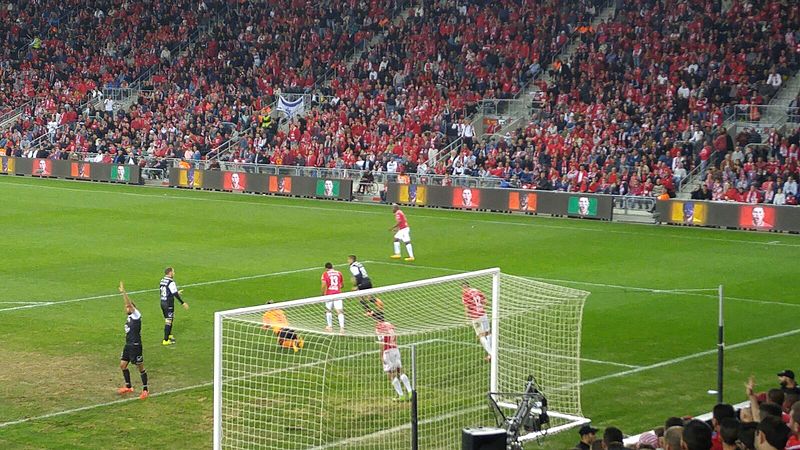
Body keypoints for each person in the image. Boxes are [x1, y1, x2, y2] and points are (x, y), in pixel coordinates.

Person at [117, 282, 149, 399]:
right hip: (128, 345)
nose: (126, 308)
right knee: (123, 365)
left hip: (136, 345)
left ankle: (145, 389)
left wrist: (123, 292)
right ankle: (128, 386)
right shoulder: (129, 317)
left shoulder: (136, 315)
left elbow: (129, 303)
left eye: (128, 307)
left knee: (140, 367)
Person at [373, 315, 412, 401]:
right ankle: (410, 392)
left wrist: (381, 355)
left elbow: (382, 342)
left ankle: (401, 395)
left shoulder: (379, 327)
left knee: (390, 373)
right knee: (400, 370)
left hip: (387, 352)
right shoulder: (389, 324)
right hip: (395, 349)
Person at [462, 282, 492, 361]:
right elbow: (485, 302)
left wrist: (467, 319)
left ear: (463, 288)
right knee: (488, 333)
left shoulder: (465, 295)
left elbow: (467, 307)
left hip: (475, 317)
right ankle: (490, 354)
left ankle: (492, 354)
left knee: (481, 335)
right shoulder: (476, 291)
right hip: (483, 314)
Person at [159, 267, 189, 346]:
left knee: (170, 318)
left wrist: (176, 292)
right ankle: (165, 340)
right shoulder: (171, 282)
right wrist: (183, 303)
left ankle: (169, 334)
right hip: (168, 303)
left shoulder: (162, 280)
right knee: (168, 320)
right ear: (170, 273)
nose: (174, 273)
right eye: (173, 272)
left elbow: (164, 291)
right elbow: (174, 293)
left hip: (162, 302)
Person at [321, 262, 344, 332]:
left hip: (329, 294)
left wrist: (323, 293)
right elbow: (342, 285)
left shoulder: (325, 274)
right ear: (332, 267)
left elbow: (323, 285)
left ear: (326, 268)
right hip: (338, 293)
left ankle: (330, 327)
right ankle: (342, 328)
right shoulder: (339, 273)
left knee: (328, 310)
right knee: (339, 311)